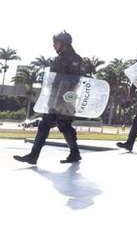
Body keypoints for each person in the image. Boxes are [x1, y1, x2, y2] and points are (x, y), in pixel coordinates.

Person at [14, 31, 84, 165]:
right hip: (58, 99)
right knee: (62, 126)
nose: (54, 45)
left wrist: (60, 101)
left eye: (56, 43)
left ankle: (34, 156)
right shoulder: (61, 58)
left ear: (64, 44)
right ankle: (74, 153)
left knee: (48, 124)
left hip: (64, 100)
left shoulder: (74, 59)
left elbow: (73, 82)